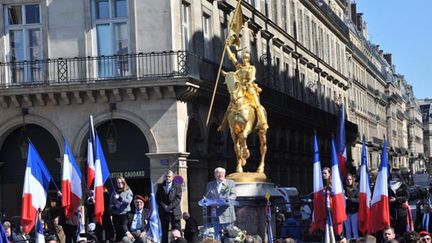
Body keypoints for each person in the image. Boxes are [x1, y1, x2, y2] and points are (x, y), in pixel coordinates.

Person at [219, 36, 268, 131]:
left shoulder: (251, 68)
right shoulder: (239, 67)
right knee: (230, 105)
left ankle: (263, 122)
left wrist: (249, 83)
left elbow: (253, 77)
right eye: (243, 58)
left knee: (257, 104)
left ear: (248, 59)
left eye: (246, 58)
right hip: (240, 88)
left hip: (249, 88)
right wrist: (227, 47)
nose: (244, 60)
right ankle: (223, 124)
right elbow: (232, 58)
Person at [205, 167, 237, 241]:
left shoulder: (230, 183)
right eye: (218, 173)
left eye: (222, 173)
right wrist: (206, 201)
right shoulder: (210, 185)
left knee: (229, 237)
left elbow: (234, 195)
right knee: (217, 237)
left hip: (227, 213)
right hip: (215, 214)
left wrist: (228, 200)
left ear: (224, 174)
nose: (220, 175)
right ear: (215, 175)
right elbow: (207, 197)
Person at [156, 170, 182, 243]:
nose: (167, 178)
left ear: (172, 177)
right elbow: (157, 199)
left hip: (175, 212)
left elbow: (178, 198)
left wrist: (169, 207)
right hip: (164, 212)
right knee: (164, 232)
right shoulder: (160, 186)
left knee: (177, 232)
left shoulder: (177, 186)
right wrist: (164, 207)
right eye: (166, 176)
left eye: (169, 176)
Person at [110, 176, 134, 242]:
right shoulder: (114, 192)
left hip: (125, 214)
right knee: (117, 232)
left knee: (125, 231)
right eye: (118, 183)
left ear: (124, 183)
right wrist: (114, 207)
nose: (120, 184)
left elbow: (128, 201)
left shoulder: (128, 191)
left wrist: (120, 198)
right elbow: (110, 204)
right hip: (116, 215)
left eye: (121, 182)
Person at [344, 173, 359, 240]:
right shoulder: (343, 189)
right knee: (348, 230)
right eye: (347, 179)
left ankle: (357, 241)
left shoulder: (356, 189)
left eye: (350, 179)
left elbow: (358, 200)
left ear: (352, 180)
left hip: (354, 211)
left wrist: (349, 199)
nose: (348, 181)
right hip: (346, 212)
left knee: (354, 229)